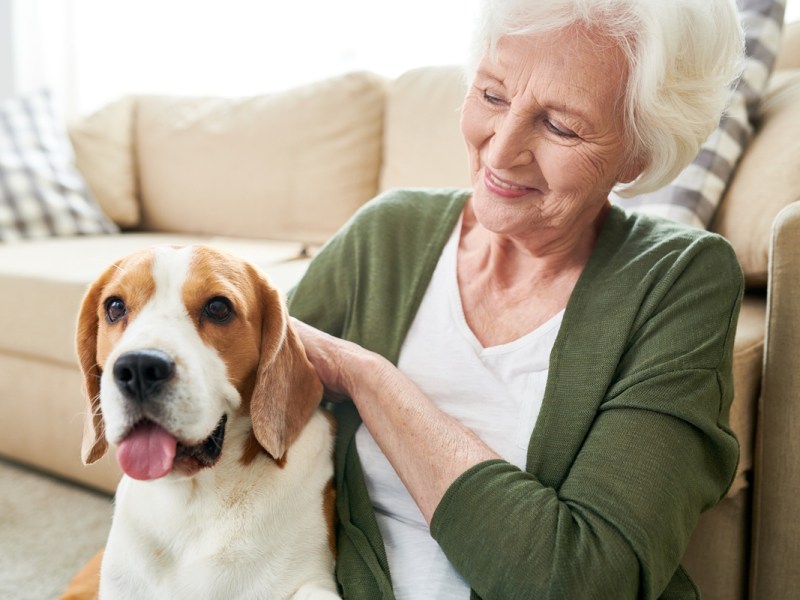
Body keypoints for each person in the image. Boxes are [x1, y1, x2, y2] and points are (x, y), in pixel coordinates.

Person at [288, 0, 746, 598]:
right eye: (493, 96)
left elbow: (585, 580)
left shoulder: (679, 280)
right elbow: (236, 403)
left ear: (639, 151)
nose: (501, 151)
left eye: (560, 126)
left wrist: (371, 379)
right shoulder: (387, 233)